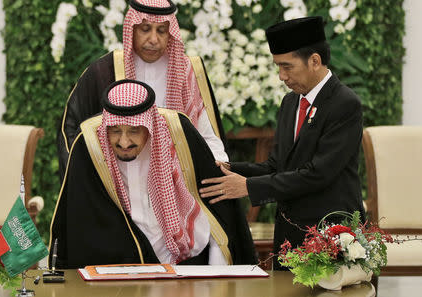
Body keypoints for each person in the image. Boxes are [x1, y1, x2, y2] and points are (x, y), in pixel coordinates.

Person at [199, 16, 366, 270]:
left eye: (287, 67)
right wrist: (230, 169)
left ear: (314, 61)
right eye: (278, 67)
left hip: (331, 235)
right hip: (290, 237)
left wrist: (248, 187)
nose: (281, 76)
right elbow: (278, 165)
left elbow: (317, 174)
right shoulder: (290, 102)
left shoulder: (345, 103)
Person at [49, 80, 256, 269]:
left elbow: (215, 203)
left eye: (134, 131)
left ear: (150, 126)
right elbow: (78, 219)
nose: (124, 142)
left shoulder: (178, 132)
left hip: (183, 261)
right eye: (115, 131)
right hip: (118, 265)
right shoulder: (89, 143)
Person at [57, 0, 227, 181]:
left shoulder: (184, 71)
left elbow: (206, 134)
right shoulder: (104, 71)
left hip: (175, 184)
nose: (154, 39)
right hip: (118, 186)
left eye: (161, 31)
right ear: (132, 29)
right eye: (145, 29)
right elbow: (72, 129)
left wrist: (219, 163)